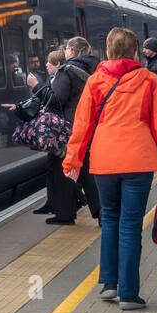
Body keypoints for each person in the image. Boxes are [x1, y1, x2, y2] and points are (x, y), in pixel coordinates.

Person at [64, 27, 157, 311]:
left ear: (107, 53)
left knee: (110, 221)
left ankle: (109, 283)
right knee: (130, 225)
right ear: (135, 53)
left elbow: (82, 126)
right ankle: (129, 294)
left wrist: (72, 161)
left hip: (104, 162)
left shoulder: (95, 82)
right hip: (138, 163)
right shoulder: (149, 81)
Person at [3, 53, 64, 215]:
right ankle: (54, 204)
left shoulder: (62, 78)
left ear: (57, 63)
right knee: (54, 170)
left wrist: (36, 86)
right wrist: (18, 107)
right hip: (57, 131)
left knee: (65, 172)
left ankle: (86, 207)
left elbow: (56, 100)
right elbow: (42, 100)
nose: (45, 66)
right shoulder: (55, 78)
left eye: (49, 63)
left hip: (61, 131)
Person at [57, 36, 102, 222]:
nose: (65, 52)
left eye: (67, 49)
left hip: (73, 126)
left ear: (73, 51)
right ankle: (100, 210)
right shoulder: (100, 68)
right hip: (98, 124)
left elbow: (58, 98)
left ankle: (68, 212)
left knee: (73, 168)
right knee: (91, 167)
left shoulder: (66, 70)